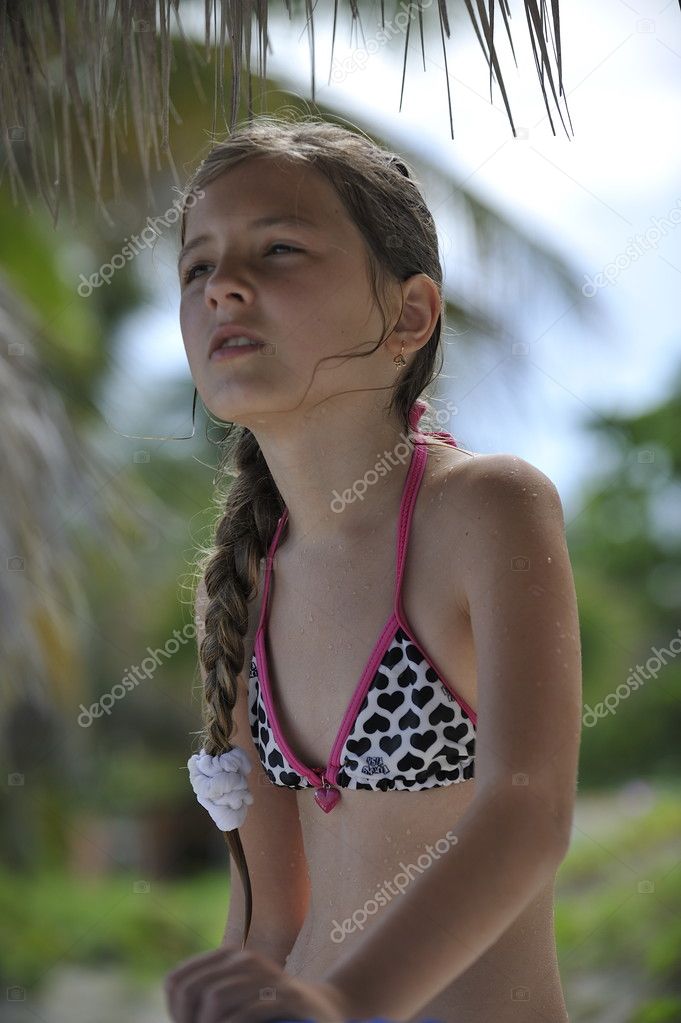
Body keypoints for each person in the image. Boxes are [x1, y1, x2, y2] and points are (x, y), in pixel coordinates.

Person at [164, 113, 582, 1023]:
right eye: (197, 266)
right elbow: (272, 920)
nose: (223, 287)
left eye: (276, 250)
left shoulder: (484, 509)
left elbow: (528, 810)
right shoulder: (238, 582)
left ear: (409, 313)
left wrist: (347, 1000)